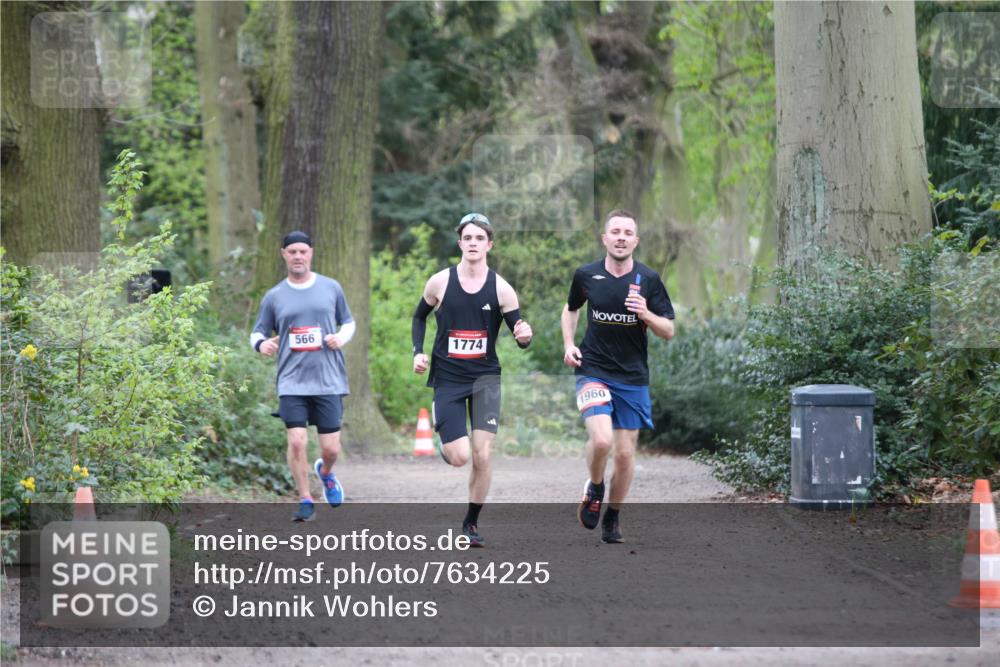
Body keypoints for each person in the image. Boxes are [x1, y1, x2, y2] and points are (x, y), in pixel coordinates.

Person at [412, 213, 533, 547]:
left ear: (489, 244)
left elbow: (520, 334)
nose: (473, 243)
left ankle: (471, 524)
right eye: (468, 238)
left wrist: (524, 336)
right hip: (448, 379)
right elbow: (419, 317)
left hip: (485, 380)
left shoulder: (502, 289)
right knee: (459, 457)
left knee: (483, 454)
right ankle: (446, 440)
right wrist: (417, 352)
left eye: (480, 238)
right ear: (460, 243)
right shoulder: (440, 282)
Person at [561, 209, 675, 543]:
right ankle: (596, 487)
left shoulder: (648, 279)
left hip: (632, 377)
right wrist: (569, 344)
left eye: (627, 233)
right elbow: (571, 309)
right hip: (592, 370)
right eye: (615, 232)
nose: (621, 238)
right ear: (605, 239)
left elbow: (669, 330)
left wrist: (646, 314)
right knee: (601, 440)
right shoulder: (586, 275)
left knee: (625, 455)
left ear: (635, 241)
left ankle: (612, 516)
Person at [251, 231, 356, 522]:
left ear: (311, 253)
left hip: (328, 380)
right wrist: (262, 345)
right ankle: (305, 499)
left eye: (302, 251)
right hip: (291, 381)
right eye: (292, 251)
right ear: (283, 254)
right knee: (297, 442)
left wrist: (340, 338)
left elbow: (348, 322)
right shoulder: (274, 296)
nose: (298, 256)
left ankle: (326, 472)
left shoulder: (331, 287)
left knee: (330, 449)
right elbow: (257, 332)